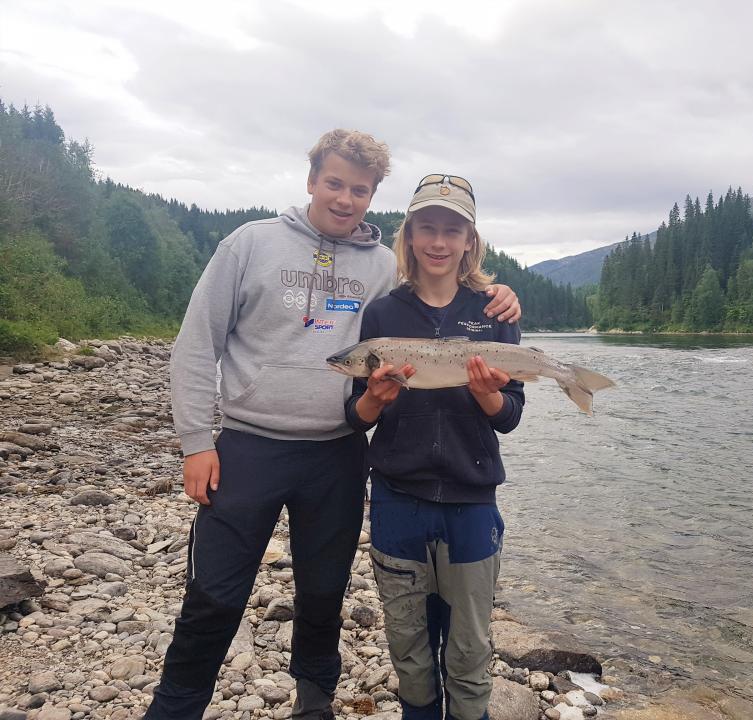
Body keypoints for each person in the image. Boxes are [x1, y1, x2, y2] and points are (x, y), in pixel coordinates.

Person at [147, 133, 521, 720]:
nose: (346, 199)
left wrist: (498, 294)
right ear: (312, 180)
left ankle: (314, 705)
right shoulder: (250, 244)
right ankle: (173, 710)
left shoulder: (380, 269)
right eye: (335, 183)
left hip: (339, 453)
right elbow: (196, 347)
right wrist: (196, 442)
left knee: (323, 595)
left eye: (361, 190)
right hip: (248, 447)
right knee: (213, 596)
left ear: (373, 197)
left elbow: (440, 296)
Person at [345, 174, 525, 720]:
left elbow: (511, 417)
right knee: (411, 654)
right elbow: (355, 416)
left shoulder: (496, 312)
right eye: (428, 227)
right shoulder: (382, 316)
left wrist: (488, 398)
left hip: (472, 502)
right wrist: (375, 398)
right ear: (410, 234)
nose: (439, 242)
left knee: (469, 654)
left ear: (470, 239)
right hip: (399, 499)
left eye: (453, 230)